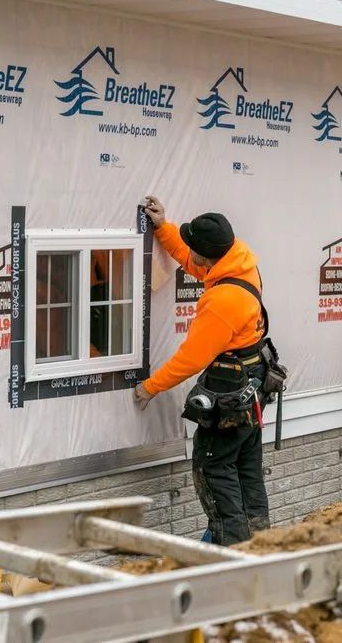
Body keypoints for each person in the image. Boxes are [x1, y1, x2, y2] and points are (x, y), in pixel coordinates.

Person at [135, 196, 270, 545]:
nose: (190, 253)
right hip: (252, 381)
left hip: (230, 392)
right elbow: (192, 260)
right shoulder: (238, 263)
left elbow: (192, 359)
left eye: (194, 246)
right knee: (247, 470)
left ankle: (229, 551)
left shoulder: (223, 301)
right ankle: (260, 543)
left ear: (207, 255)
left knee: (214, 468)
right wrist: (164, 229)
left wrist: (150, 386)